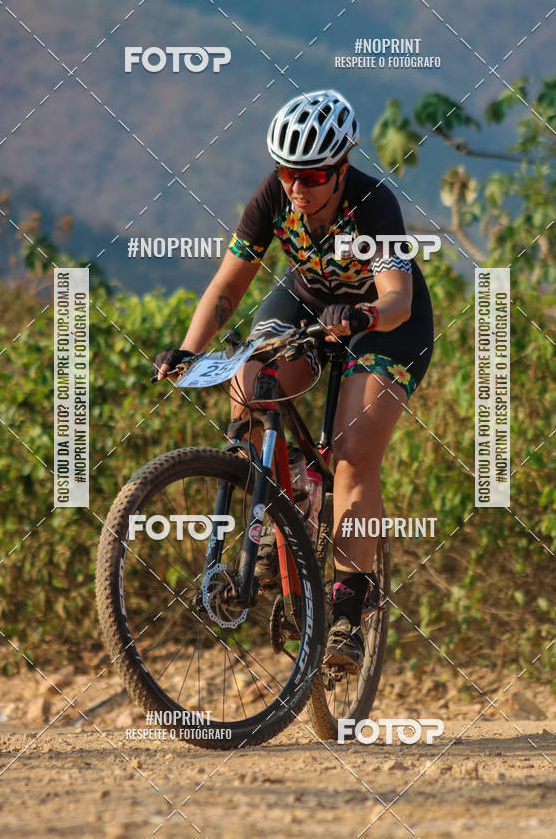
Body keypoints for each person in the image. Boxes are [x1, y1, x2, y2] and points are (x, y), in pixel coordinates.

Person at [154, 89, 434, 672]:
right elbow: (228, 288)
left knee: (354, 452)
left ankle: (347, 616)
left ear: (341, 169)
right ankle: (278, 508)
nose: (298, 188)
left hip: (381, 321)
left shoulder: (372, 204)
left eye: (312, 175)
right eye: (288, 174)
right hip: (308, 300)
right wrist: (187, 349)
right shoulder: (271, 198)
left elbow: (399, 297)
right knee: (247, 381)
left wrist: (363, 318)